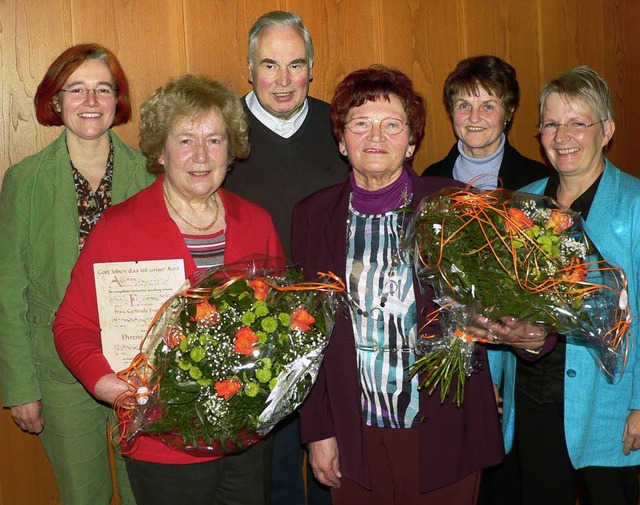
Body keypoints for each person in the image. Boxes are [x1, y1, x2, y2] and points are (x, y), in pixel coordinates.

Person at [292, 65, 549, 504]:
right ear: (341, 140)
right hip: (355, 436)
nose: (376, 136)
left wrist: (532, 336)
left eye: (392, 125)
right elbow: (306, 337)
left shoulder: (455, 205)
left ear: (411, 141)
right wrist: (319, 432)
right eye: (360, 124)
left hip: (445, 428)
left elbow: (519, 299)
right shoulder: (313, 217)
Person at [53, 74, 284, 504]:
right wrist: (106, 384)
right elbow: (72, 324)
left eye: (215, 140)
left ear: (230, 150)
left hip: (246, 440)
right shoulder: (119, 228)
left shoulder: (257, 223)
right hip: (163, 443)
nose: (201, 155)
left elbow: (282, 327)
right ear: (160, 151)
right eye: (185, 140)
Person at [0, 43, 155, 505]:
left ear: (117, 100)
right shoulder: (24, 181)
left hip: (138, 371)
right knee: (83, 497)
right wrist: (20, 387)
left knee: (144, 494)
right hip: (59, 374)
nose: (90, 101)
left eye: (102, 89)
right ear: (55, 100)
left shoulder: (150, 175)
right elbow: (8, 290)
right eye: (77, 89)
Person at [488, 66, 640, 505]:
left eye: (578, 122)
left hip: (609, 405)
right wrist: (495, 382)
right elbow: (502, 300)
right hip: (533, 401)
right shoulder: (524, 203)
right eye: (551, 123)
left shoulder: (633, 205)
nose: (562, 135)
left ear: (606, 130)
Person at [223, 11, 349, 504]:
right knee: (270, 482)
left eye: (295, 65)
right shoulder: (222, 133)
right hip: (254, 338)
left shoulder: (341, 128)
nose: (282, 80)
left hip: (336, 332)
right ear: (248, 69)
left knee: (333, 474)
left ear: (312, 68)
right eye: (269, 65)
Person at [423, 55, 547, 190]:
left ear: (508, 112)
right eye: (464, 105)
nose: (474, 118)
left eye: (488, 106)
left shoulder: (538, 181)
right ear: (451, 111)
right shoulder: (429, 181)